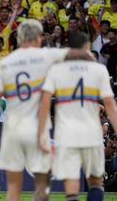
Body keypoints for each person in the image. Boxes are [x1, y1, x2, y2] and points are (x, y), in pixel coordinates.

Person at [0, 19, 94, 201]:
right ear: (39, 37)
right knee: (42, 185)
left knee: (13, 188)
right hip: (37, 128)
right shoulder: (47, 55)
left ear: (19, 38)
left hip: (12, 129)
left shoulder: (5, 62)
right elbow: (81, 53)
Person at [37, 32, 117, 201]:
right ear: (87, 48)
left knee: (72, 184)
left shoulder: (57, 70)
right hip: (91, 130)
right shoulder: (99, 69)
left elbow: (44, 102)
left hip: (67, 131)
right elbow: (109, 103)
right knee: (95, 181)